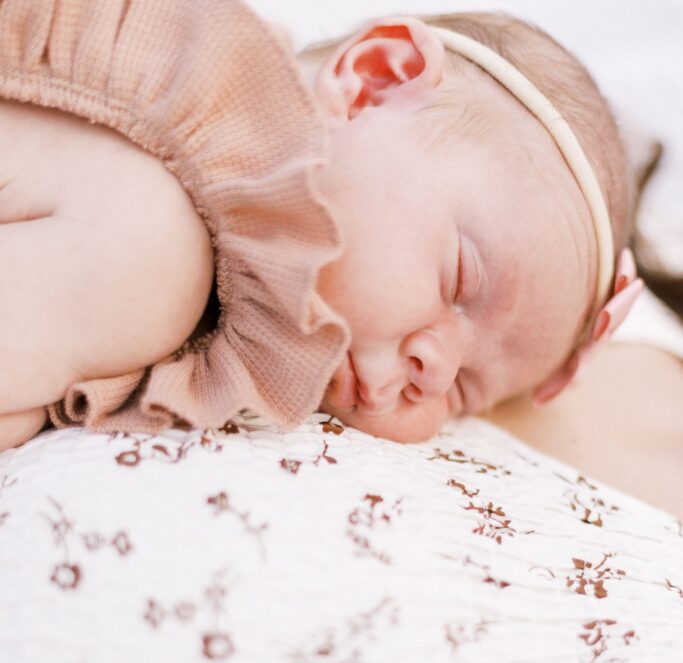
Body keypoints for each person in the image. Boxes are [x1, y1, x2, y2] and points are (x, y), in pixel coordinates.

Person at [0, 0, 642, 453]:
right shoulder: (158, 235)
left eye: (466, 394)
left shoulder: (164, 330)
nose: (435, 374)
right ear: (373, 82)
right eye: (460, 280)